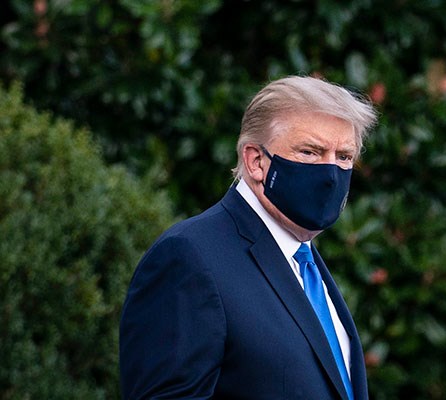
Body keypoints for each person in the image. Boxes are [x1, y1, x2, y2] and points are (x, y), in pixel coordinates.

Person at [119, 76, 378, 399]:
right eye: (310, 152)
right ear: (256, 161)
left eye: (344, 157)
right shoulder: (189, 257)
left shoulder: (303, 262)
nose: (330, 175)